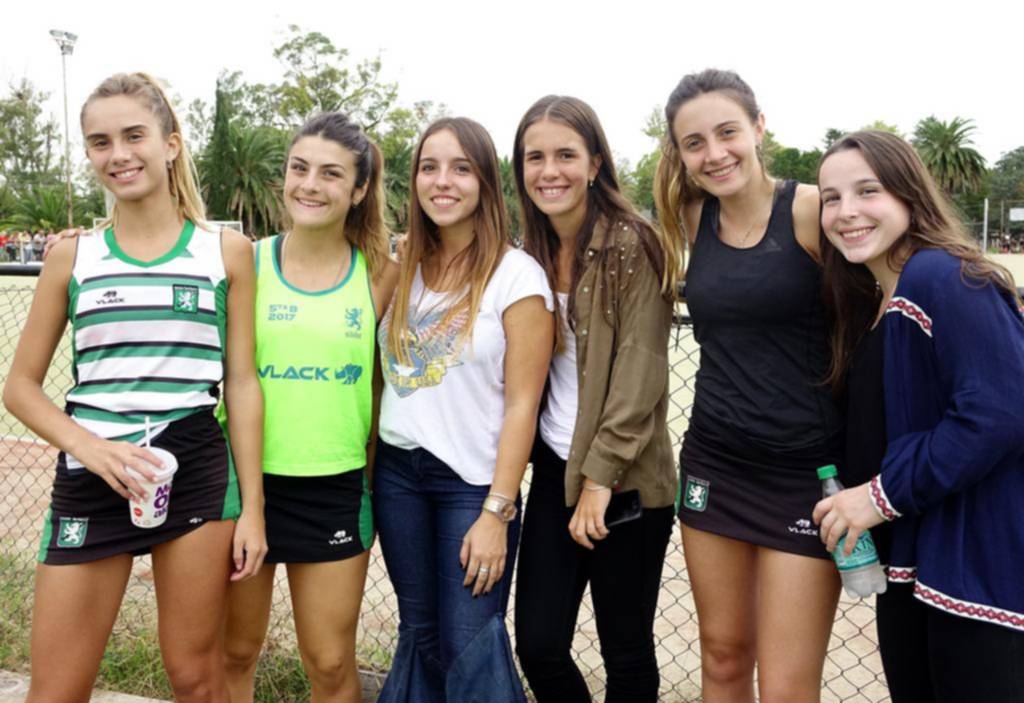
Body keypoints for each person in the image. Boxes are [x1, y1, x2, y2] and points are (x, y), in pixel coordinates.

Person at [1, 72, 266, 703]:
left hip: (193, 471)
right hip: (92, 474)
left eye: (133, 135)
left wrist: (253, 509)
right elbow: (20, 387)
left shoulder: (227, 252)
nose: (118, 154)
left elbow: (242, 384)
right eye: (100, 142)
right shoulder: (71, 257)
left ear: (170, 144)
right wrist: (91, 449)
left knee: (196, 679)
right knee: (56, 691)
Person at [813, 130, 1024, 702]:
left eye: (868, 191)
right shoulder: (874, 301)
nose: (846, 211)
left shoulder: (939, 275)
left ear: (908, 194)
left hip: (971, 574)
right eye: (831, 198)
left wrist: (878, 496)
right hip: (915, 566)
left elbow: (999, 411)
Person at [654, 68, 843, 702]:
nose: (715, 153)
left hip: (805, 474)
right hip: (716, 463)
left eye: (727, 132)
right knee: (724, 657)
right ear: (680, 154)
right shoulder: (689, 218)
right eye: (694, 142)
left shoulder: (812, 210)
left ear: (759, 127)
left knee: (787, 686)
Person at [374, 116, 553, 702]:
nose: (442, 181)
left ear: (485, 183)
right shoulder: (402, 270)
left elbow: (523, 405)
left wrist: (496, 511)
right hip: (398, 476)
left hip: (471, 487)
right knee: (420, 635)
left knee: (469, 642)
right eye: (429, 167)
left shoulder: (516, 277)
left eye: (460, 168)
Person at [222, 112, 398, 703]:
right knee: (235, 652)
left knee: (329, 662)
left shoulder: (382, 274)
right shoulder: (245, 261)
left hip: (334, 487)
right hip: (245, 487)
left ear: (360, 189)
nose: (310, 185)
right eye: (299, 169)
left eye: (331, 173)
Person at [511, 95, 677, 702]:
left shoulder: (634, 244)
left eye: (565, 155)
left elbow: (641, 371)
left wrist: (601, 478)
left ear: (595, 163)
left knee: (625, 649)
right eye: (534, 157)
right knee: (539, 645)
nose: (548, 171)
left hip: (625, 480)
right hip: (555, 470)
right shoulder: (526, 254)